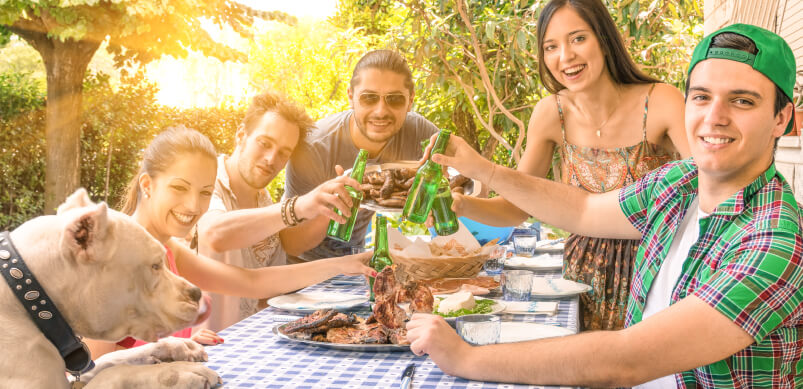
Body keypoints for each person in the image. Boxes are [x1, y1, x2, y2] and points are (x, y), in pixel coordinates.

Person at [406, 24, 802, 388]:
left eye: (742, 102)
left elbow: (625, 360)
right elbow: (582, 210)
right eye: (701, 97)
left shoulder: (776, 240)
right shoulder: (679, 183)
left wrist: (466, 358)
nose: (714, 118)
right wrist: (482, 169)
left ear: (781, 118)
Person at [450, 0, 690, 331]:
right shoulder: (551, 114)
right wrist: (460, 205)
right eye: (551, 46)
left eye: (578, 38)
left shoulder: (661, 100)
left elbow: (705, 185)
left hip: (656, 273)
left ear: (604, 39)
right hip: (581, 281)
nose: (565, 57)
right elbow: (516, 208)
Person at [85, 126, 373, 358]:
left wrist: (344, 264)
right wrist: (168, 349)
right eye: (179, 188)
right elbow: (91, 373)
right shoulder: (112, 256)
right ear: (147, 185)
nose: (192, 205)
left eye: (205, 192)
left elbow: (252, 283)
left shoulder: (166, 248)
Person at [196, 90, 365, 331]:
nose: (271, 158)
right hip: (203, 349)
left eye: (284, 152)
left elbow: (270, 280)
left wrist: (330, 209)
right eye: (264, 144)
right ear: (241, 135)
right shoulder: (205, 181)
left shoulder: (263, 199)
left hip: (251, 343)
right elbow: (215, 234)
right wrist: (299, 206)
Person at [282, 49, 439, 263]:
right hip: (303, 267)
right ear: (350, 96)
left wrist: (440, 197)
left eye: (394, 99)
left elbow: (470, 185)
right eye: (369, 98)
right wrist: (331, 206)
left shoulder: (419, 133)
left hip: (355, 260)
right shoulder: (314, 148)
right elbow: (291, 244)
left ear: (410, 101)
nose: (381, 111)